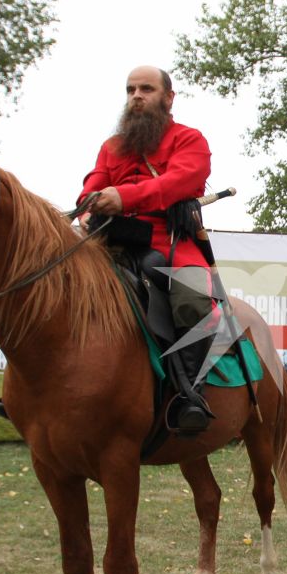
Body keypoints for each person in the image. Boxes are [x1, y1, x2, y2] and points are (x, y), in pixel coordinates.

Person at [77, 65, 216, 434]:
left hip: (167, 241)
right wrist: (88, 203)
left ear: (168, 98)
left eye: (146, 89)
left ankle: (190, 394)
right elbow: (93, 183)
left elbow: (180, 182)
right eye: (130, 89)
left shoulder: (190, 140)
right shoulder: (111, 148)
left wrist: (124, 197)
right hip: (108, 241)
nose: (136, 96)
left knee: (195, 302)